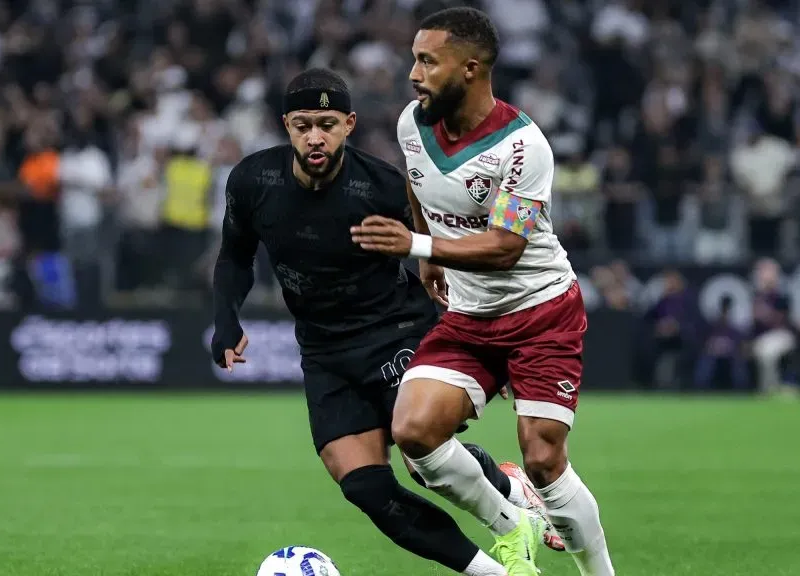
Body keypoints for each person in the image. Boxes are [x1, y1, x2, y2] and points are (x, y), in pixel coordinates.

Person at [211, 68, 560, 576]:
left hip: (395, 330)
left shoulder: (381, 186)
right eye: (303, 124)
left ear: (349, 124)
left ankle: (508, 501)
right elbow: (234, 257)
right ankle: (497, 570)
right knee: (365, 488)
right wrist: (226, 319)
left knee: (422, 454)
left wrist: (484, 339)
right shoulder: (252, 180)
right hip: (324, 351)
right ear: (286, 125)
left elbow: (450, 251)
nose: (315, 136)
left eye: (327, 123)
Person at [351, 8, 615, 576]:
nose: (414, 74)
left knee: (544, 459)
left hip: (540, 310)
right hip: (469, 314)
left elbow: (504, 248)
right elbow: (417, 183)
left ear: (470, 69)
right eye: (413, 59)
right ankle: (512, 520)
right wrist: (426, 244)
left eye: (428, 61)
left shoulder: (523, 147)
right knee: (414, 432)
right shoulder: (412, 124)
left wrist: (416, 249)